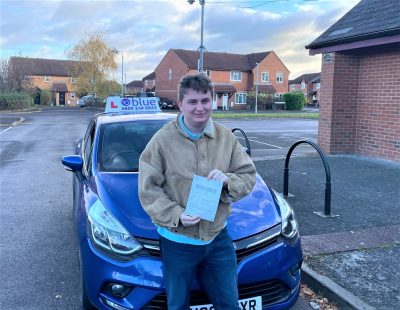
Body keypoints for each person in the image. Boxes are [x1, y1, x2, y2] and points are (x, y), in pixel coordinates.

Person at [138, 73, 256, 309]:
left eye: (205, 100)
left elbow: (248, 176)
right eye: (192, 102)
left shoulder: (226, 138)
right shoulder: (162, 140)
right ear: (180, 104)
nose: (200, 108)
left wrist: (228, 181)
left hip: (217, 238)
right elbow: (148, 190)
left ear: (212, 101)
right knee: (178, 305)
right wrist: (176, 215)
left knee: (229, 304)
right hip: (178, 241)